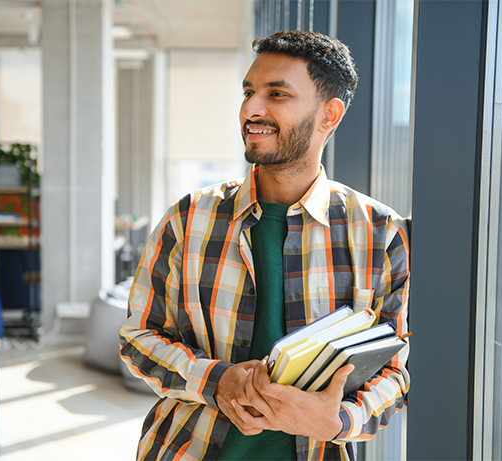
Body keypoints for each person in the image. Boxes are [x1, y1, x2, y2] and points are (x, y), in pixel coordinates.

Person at [119, 30, 410, 461]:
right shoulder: (188, 216)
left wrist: (337, 422)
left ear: (329, 115)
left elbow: (396, 368)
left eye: (277, 94)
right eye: (249, 92)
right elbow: (138, 336)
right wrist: (216, 380)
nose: (251, 109)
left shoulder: (381, 233)